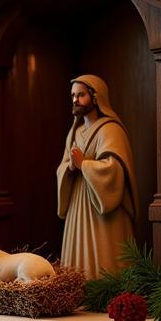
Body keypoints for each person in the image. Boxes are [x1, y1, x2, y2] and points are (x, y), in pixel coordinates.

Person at [56, 74, 138, 278]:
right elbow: (63, 166)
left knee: (104, 251)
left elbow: (114, 169)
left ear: (96, 97)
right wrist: (71, 168)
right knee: (78, 247)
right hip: (78, 200)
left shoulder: (110, 130)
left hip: (100, 202)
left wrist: (84, 164)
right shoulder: (75, 131)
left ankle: (104, 287)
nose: (75, 100)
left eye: (81, 95)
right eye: (73, 95)